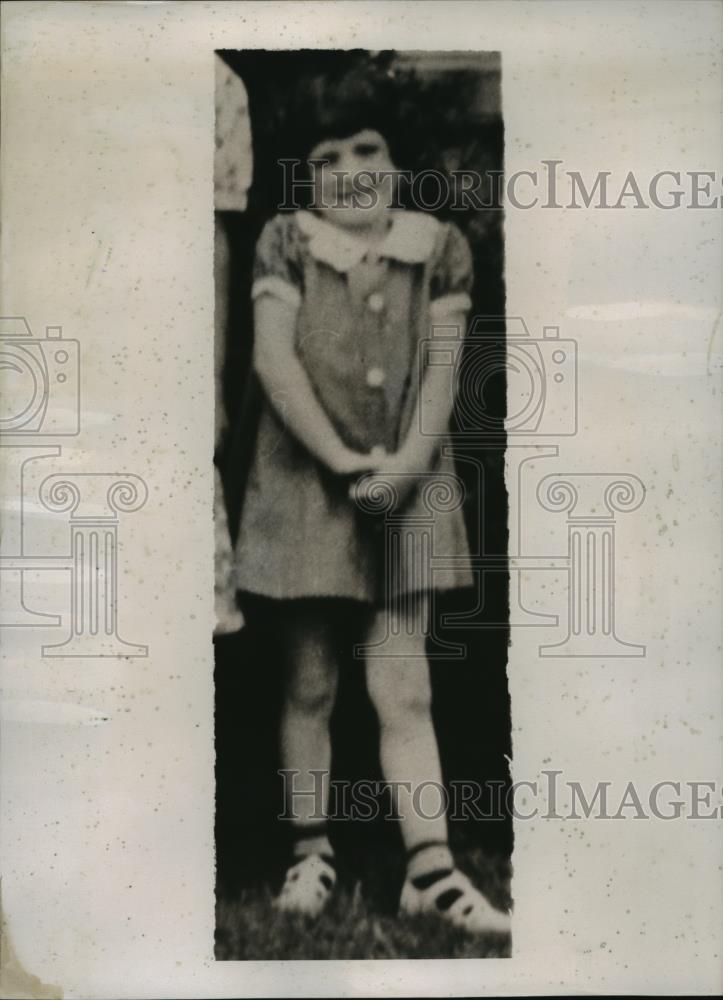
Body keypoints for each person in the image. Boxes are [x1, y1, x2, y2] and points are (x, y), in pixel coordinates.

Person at [233, 62, 510, 935]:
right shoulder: (285, 243)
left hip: (411, 483)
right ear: (303, 175)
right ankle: (309, 853)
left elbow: (439, 376)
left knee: (404, 685)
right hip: (303, 485)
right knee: (308, 681)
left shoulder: (439, 247)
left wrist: (404, 464)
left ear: (396, 158)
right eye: (326, 157)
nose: (350, 168)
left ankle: (430, 868)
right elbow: (273, 363)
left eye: (367, 148)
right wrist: (346, 461)